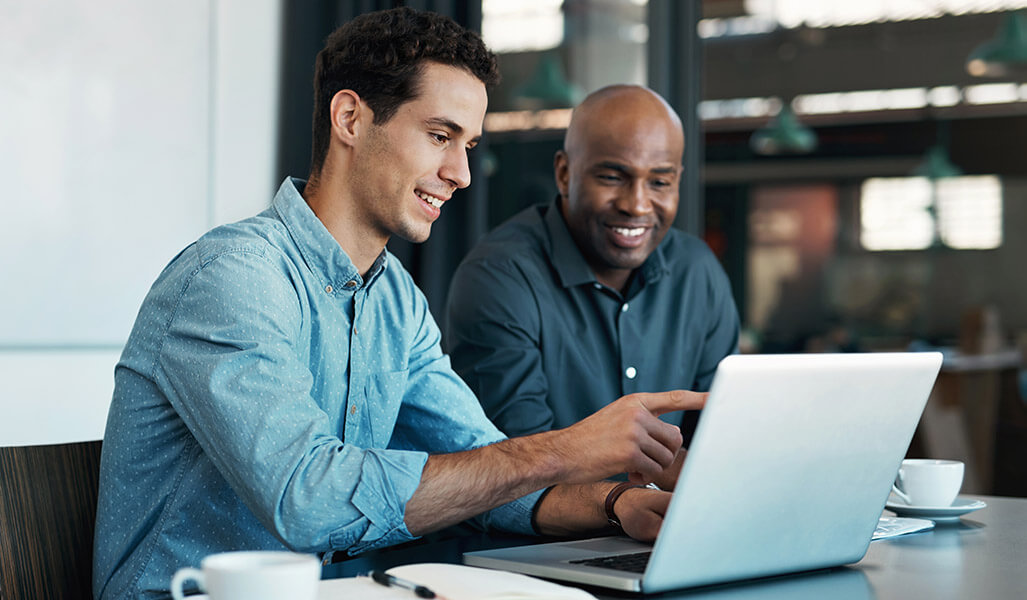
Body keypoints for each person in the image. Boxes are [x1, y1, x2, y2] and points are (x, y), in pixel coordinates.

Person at [92, 10, 703, 599]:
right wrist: (563, 449)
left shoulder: (395, 302)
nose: (461, 173)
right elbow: (308, 500)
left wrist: (619, 505)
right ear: (351, 119)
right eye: (440, 136)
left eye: (468, 144)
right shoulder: (233, 279)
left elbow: (484, 469)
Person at [444, 85, 739, 456]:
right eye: (613, 178)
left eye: (660, 182)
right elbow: (516, 466)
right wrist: (626, 503)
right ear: (565, 174)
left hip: (672, 513)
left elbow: (722, 437)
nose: (637, 205)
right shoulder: (499, 276)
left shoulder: (697, 271)